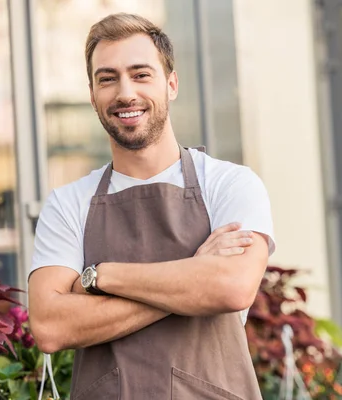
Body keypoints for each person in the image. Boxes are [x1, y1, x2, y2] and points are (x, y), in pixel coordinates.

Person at [28, 12, 275, 400]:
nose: (125, 92)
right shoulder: (67, 203)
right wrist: (193, 277)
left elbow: (231, 288)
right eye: (107, 78)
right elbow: (50, 326)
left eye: (141, 74)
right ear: (93, 95)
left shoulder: (229, 184)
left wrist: (99, 277)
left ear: (171, 84)